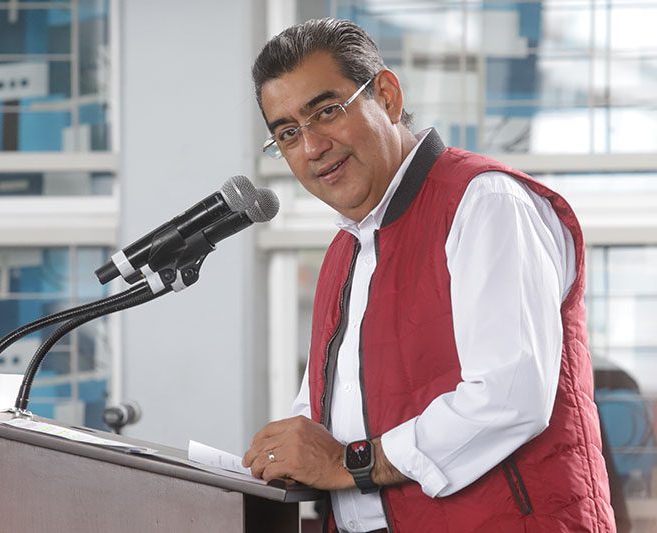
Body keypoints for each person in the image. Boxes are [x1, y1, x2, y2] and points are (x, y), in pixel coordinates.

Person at [242, 18, 615, 533]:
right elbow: (325, 422)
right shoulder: (345, 252)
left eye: (326, 112)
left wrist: (351, 463)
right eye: (287, 134)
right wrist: (285, 453)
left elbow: (510, 396)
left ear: (388, 96)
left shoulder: (485, 202)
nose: (311, 147)